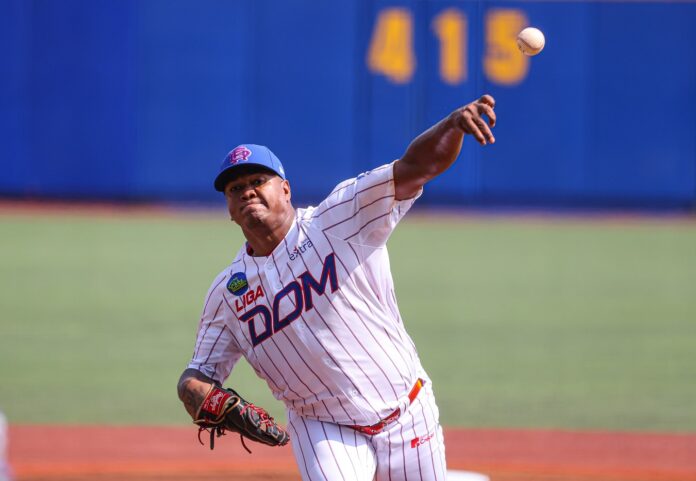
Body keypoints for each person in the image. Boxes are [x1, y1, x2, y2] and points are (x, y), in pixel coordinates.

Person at [178, 94, 497, 480]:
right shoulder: (228, 294)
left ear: (286, 189)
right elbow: (196, 376)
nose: (246, 191)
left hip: (407, 408)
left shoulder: (339, 218)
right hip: (324, 427)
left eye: (258, 181)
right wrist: (203, 396)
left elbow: (416, 167)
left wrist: (451, 126)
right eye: (235, 188)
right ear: (230, 210)